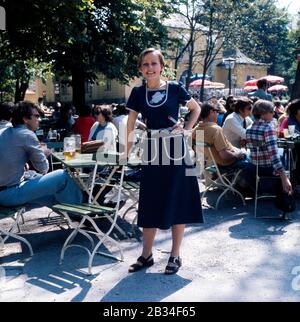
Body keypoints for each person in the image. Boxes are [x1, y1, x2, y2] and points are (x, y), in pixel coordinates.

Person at [126, 48, 203, 275]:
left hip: (176, 149)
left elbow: (196, 108)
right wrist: (126, 151)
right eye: (145, 64)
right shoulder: (138, 93)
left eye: (153, 64)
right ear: (140, 68)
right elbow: (131, 124)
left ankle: (175, 255)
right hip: (151, 150)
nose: (149, 68)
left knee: (177, 199)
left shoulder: (175, 88)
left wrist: (186, 129)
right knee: (150, 200)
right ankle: (146, 254)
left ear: (161, 66)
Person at [0, 101, 83, 208]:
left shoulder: (4, 132)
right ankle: (80, 209)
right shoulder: (27, 134)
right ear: (25, 119)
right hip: (10, 194)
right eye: (36, 116)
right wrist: (44, 151)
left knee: (54, 198)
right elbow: (43, 168)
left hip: (6, 191)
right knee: (64, 176)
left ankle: (74, 214)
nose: (39, 119)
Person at [244, 99, 292, 195]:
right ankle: (288, 187)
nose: (273, 113)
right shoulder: (268, 128)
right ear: (263, 113)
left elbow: (256, 148)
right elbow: (273, 155)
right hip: (269, 168)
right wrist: (284, 177)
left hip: (255, 166)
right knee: (287, 155)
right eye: (271, 111)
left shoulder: (249, 128)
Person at [195, 103, 247, 168]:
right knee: (253, 164)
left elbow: (200, 151)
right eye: (217, 111)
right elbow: (224, 155)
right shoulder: (215, 130)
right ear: (211, 112)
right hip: (227, 163)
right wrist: (237, 155)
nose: (218, 114)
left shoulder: (197, 129)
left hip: (212, 162)